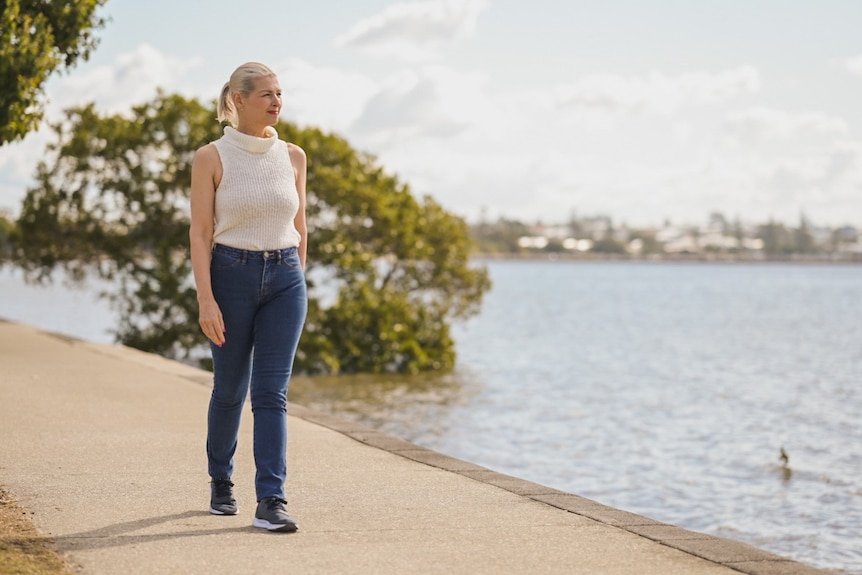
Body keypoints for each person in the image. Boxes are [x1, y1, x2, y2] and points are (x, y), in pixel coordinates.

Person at [189, 62, 308, 532]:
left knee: (271, 394)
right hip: (230, 277)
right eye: (266, 95)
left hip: (285, 279)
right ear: (237, 100)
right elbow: (200, 234)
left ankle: (271, 500)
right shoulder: (211, 157)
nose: (277, 101)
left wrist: (298, 274)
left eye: (279, 93)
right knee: (230, 390)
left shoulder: (295, 156)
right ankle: (221, 481)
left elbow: (301, 227)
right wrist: (205, 299)